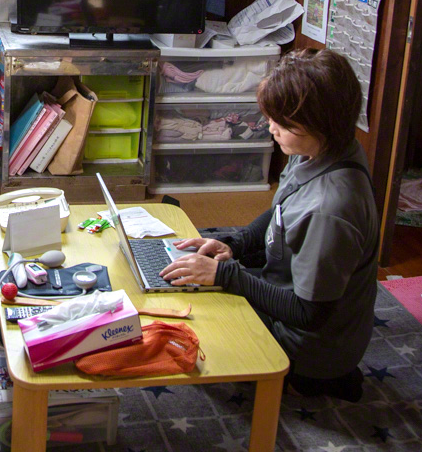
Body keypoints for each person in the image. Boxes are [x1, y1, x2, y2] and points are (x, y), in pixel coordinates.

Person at [160, 49, 378, 401]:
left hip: (307, 346)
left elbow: (308, 313)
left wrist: (225, 275)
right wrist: (238, 241)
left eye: (282, 121)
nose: (270, 127)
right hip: (289, 295)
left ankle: (281, 375)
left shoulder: (331, 209)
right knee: (197, 267)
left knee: (191, 312)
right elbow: (281, 211)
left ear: (318, 121)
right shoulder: (321, 149)